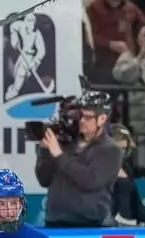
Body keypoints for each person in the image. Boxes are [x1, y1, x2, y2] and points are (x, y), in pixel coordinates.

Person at [34, 92, 124, 227]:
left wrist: (59, 155)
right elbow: (44, 179)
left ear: (102, 118)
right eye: (80, 116)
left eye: (88, 117)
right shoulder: (66, 144)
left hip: (90, 225)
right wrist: (45, 152)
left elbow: (91, 180)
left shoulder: (111, 150)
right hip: (55, 221)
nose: (82, 121)